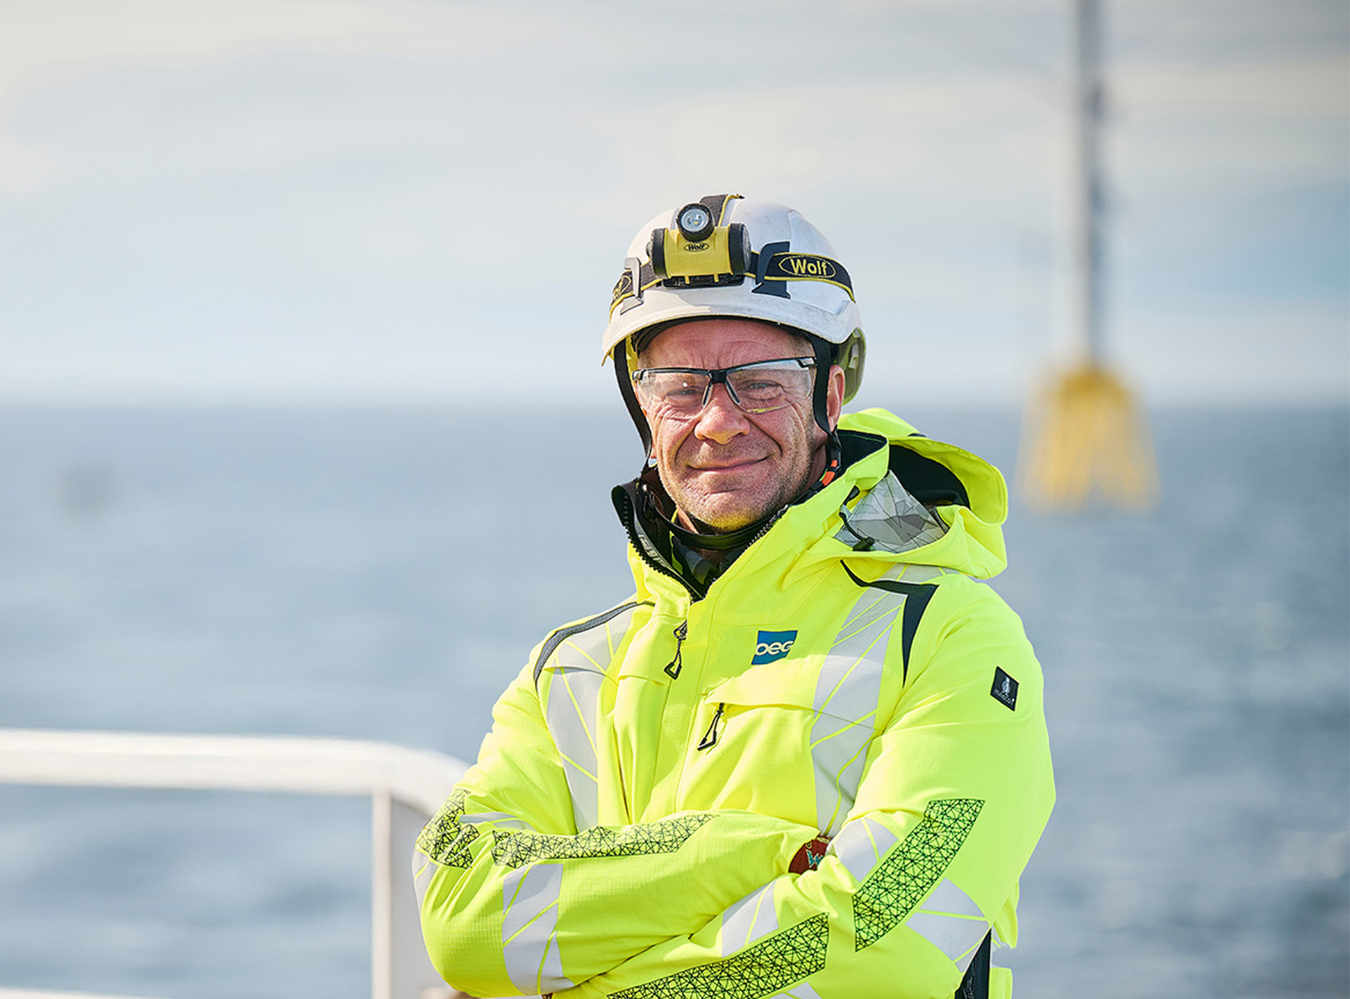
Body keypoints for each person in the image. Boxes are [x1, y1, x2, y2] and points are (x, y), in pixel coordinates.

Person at [413, 195, 1054, 999]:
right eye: (681, 386)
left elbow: (884, 936)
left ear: (830, 395)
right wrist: (748, 854)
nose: (717, 421)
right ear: (641, 406)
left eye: (759, 383)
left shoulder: (952, 637)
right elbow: (462, 916)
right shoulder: (570, 673)